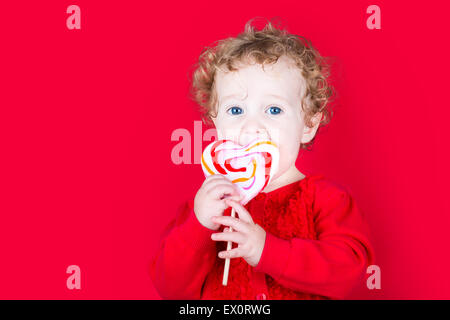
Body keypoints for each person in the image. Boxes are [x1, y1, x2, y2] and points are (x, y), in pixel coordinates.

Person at [150, 18, 375, 300]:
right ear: (214, 123)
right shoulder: (207, 206)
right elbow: (169, 287)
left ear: (308, 125)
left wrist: (265, 250)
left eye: (273, 110)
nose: (252, 127)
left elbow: (348, 272)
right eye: (235, 110)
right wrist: (199, 224)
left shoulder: (326, 199)